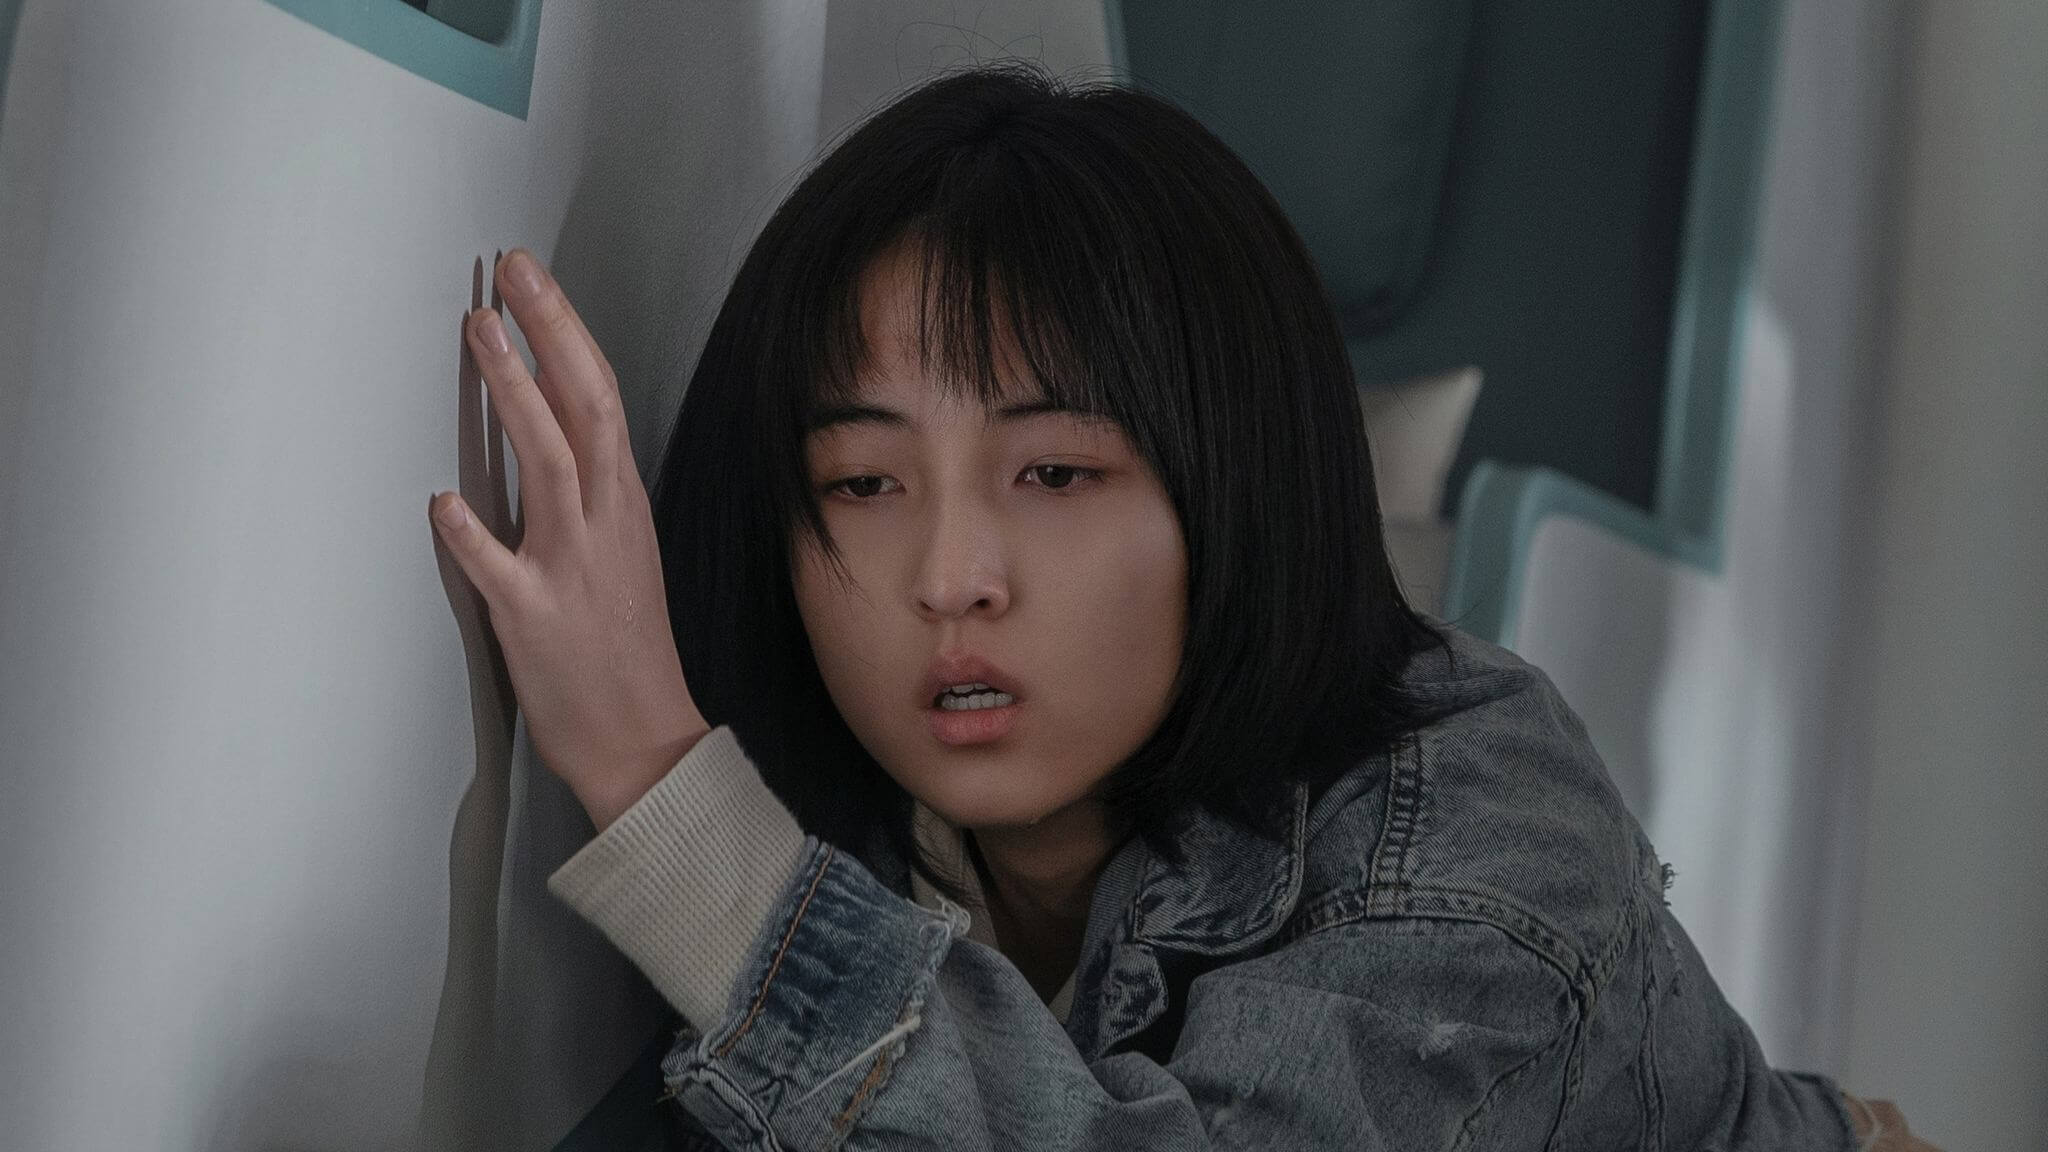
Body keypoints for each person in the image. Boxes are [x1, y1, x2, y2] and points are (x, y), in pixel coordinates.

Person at [428, 62, 1931, 1150]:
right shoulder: (864, 822)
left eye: (1057, 473)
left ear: (1232, 491)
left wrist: (653, 776)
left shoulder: (1471, 838)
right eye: (865, 482)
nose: (950, 576)